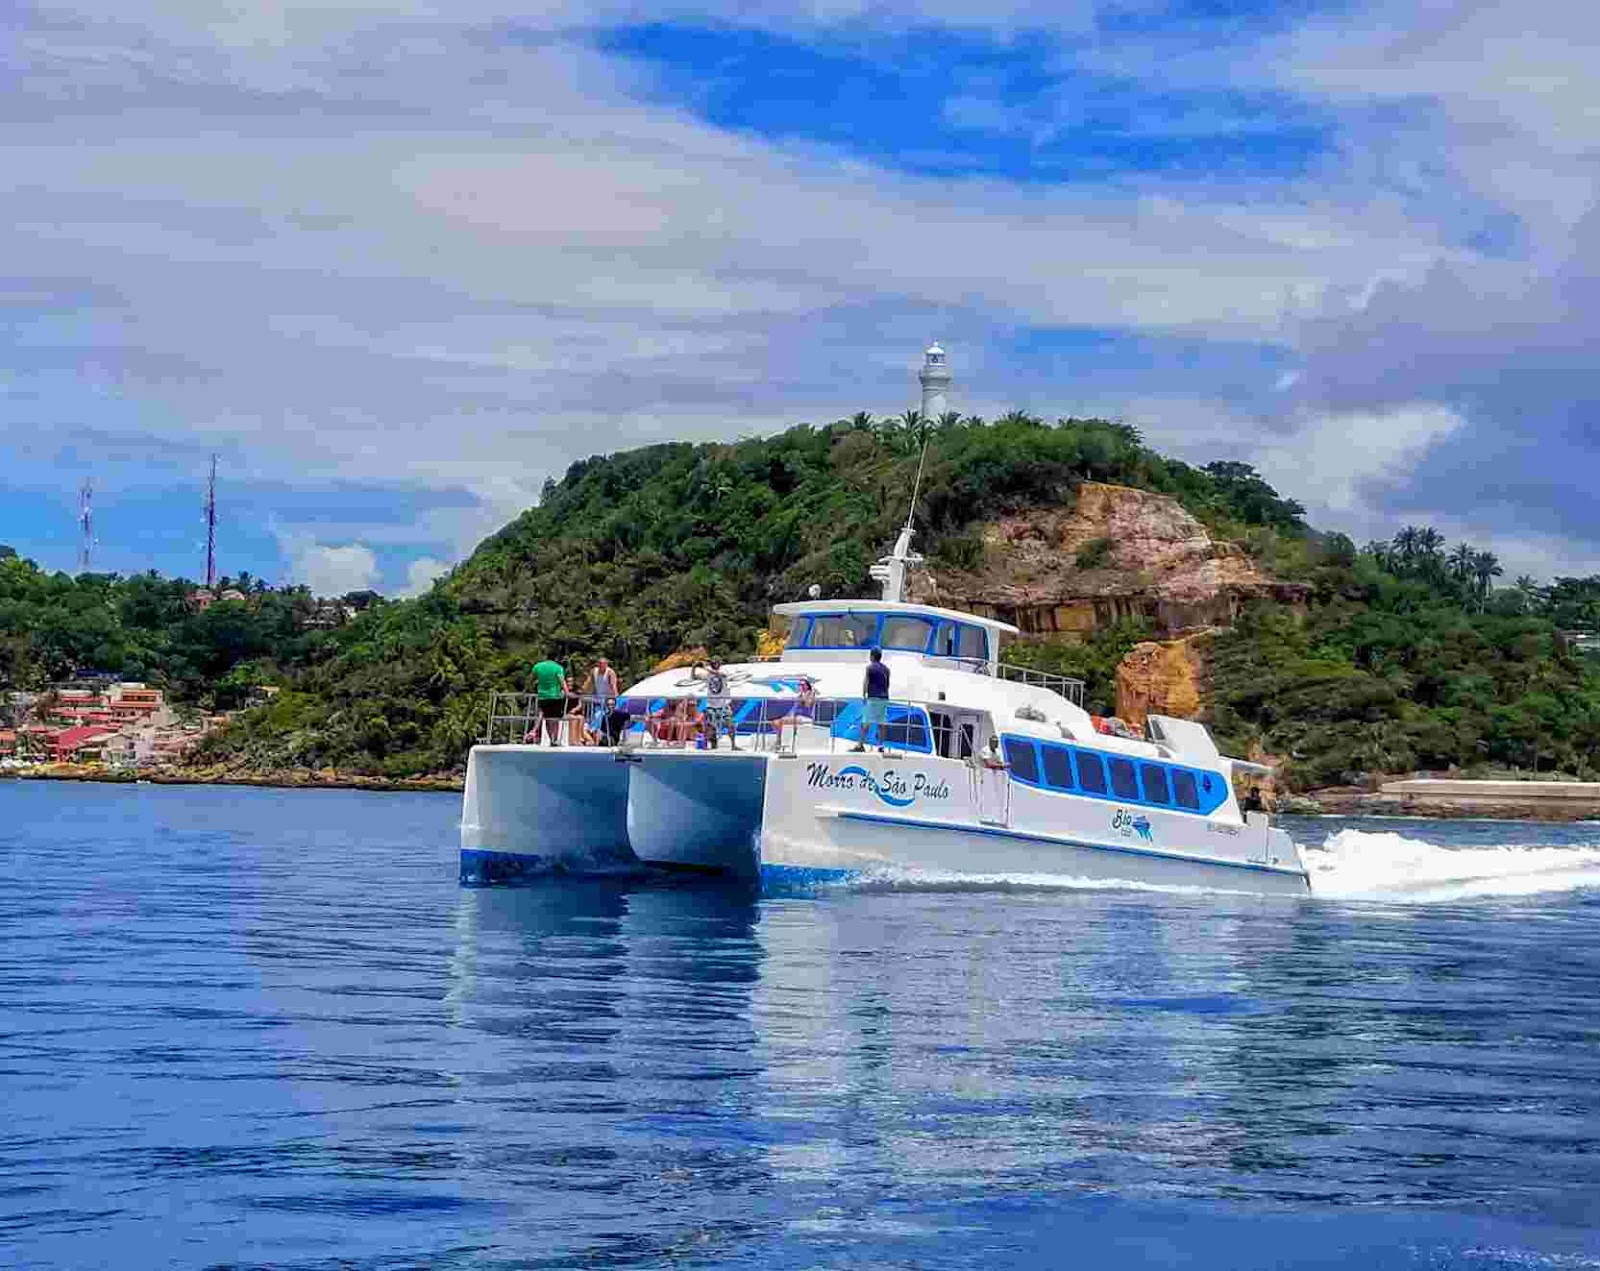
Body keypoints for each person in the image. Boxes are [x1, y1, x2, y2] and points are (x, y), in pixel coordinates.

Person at [691, 657, 738, 751]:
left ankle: (733, 745)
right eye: (713, 663)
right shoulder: (707, 674)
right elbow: (694, 677)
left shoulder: (725, 671)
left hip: (723, 704)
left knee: (730, 724)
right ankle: (709, 745)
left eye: (716, 663)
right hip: (711, 705)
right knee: (710, 726)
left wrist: (704, 667)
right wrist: (694, 668)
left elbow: (720, 674)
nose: (714, 664)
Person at [853, 647, 890, 753]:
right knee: (881, 722)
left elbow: (866, 682)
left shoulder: (869, 668)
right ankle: (881, 745)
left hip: (873, 697)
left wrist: (864, 695)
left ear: (872, 656)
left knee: (866, 721)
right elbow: (887, 684)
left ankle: (860, 744)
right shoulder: (887, 669)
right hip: (884, 698)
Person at [530, 655, 568, 746]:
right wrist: (566, 691)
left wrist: (524, 690)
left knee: (547, 719)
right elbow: (562, 681)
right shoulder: (558, 668)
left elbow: (530, 679)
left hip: (542, 696)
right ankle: (554, 739)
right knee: (555, 719)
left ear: (546, 657)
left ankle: (551, 739)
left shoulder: (538, 666)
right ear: (556, 658)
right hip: (555, 696)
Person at [583, 657, 620, 746]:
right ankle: (593, 737)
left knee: (600, 716)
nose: (601, 666)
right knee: (595, 717)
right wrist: (584, 693)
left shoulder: (610, 672)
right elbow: (590, 684)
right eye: (600, 664)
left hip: (607, 700)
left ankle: (595, 737)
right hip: (597, 699)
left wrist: (616, 699)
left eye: (603, 664)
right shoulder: (594, 671)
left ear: (606, 665)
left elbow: (613, 686)